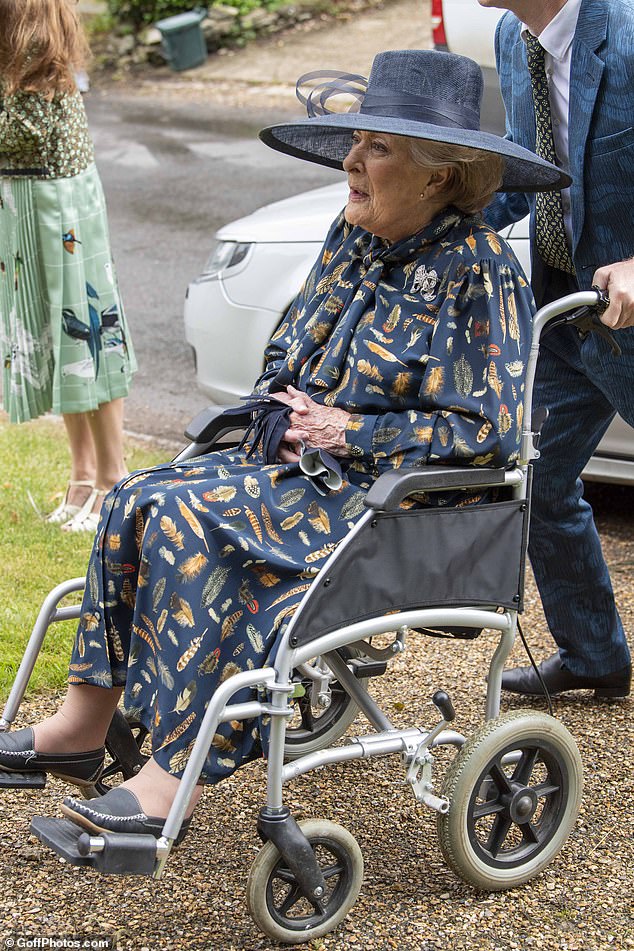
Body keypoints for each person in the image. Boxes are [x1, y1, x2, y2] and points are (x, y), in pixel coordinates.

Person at [0, 49, 561, 838]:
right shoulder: (352, 236)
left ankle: (171, 783)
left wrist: (347, 428)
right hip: (304, 473)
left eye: (378, 148)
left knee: (202, 524)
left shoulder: (480, 273)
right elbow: (284, 349)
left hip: (388, 505)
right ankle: (80, 729)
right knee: (138, 495)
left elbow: (489, 434)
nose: (353, 160)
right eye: (357, 141)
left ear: (439, 176)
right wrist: (287, 402)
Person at [478, 0, 633, 699]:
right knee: (535, 477)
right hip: (569, 312)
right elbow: (527, 164)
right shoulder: (516, 37)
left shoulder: (628, 33)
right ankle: (594, 653)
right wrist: (429, 216)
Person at [0, 0, 137, 533]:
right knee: (63, 340)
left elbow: (23, 130)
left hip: (60, 204)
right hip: (25, 199)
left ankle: (112, 480)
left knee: (89, 338)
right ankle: (82, 476)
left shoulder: (33, 31)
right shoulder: (19, 27)